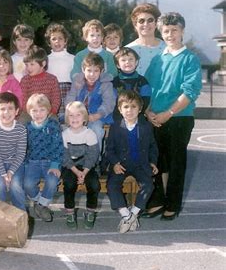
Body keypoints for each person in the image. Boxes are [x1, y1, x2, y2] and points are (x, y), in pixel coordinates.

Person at [143, 12, 202, 220]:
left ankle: (173, 204)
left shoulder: (190, 59)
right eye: (166, 31)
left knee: (176, 162)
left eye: (174, 30)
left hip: (179, 118)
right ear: (161, 32)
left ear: (182, 31)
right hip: (155, 117)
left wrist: (168, 114)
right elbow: (148, 89)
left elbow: (189, 92)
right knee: (156, 161)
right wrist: (148, 111)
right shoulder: (158, 59)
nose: (170, 34)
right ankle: (158, 200)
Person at [105, 91, 158, 233]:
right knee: (112, 185)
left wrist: (153, 162)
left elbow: (153, 146)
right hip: (121, 165)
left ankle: (133, 214)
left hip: (140, 164)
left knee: (148, 185)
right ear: (120, 109)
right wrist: (115, 163)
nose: (130, 110)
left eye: (134, 107)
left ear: (140, 109)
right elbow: (109, 150)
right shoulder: (115, 127)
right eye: (126, 107)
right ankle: (125, 214)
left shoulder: (146, 127)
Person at [24, 93, 64, 222]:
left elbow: (58, 146)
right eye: (34, 111)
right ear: (29, 112)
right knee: (28, 184)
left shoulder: (53, 126)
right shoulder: (27, 127)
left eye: (42, 110)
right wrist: (25, 164)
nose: (38, 114)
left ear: (48, 110)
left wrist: (55, 164)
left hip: (50, 162)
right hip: (32, 162)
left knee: (53, 181)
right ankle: (38, 202)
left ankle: (41, 206)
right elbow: (24, 147)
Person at [61, 101, 101, 230]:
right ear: (67, 118)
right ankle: (70, 212)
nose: (74, 119)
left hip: (87, 167)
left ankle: (90, 211)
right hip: (71, 167)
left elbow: (93, 155)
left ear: (84, 118)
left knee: (94, 184)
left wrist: (84, 171)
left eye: (78, 115)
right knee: (69, 183)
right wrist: (76, 172)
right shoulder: (65, 134)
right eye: (71, 116)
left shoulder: (90, 134)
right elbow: (65, 157)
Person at [66, 52, 115, 151]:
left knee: (96, 130)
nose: (92, 74)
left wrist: (97, 115)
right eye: (89, 70)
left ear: (102, 71)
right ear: (83, 70)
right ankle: (76, 159)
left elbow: (109, 103)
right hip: (78, 114)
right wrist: (71, 111)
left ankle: (95, 160)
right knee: (71, 129)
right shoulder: (77, 82)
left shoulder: (106, 84)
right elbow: (70, 97)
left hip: (97, 116)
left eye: (96, 71)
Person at [0, 92, 27, 211]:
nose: (6, 112)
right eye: (2, 109)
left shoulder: (21, 129)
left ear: (17, 111)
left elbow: (20, 154)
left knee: (16, 186)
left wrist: (11, 171)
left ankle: (20, 213)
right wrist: (4, 174)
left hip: (16, 163)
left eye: (10, 108)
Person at [19, 46, 61, 123]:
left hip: (48, 112)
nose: (28, 68)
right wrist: (32, 112)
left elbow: (56, 98)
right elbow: (23, 99)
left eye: (32, 64)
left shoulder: (52, 79)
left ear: (43, 64)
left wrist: (51, 111)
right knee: (21, 122)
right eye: (27, 65)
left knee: (54, 122)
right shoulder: (25, 80)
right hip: (29, 113)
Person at [45, 23, 75, 122]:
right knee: (53, 121)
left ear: (65, 41)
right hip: (52, 93)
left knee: (68, 120)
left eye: (60, 38)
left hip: (68, 92)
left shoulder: (72, 58)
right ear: (49, 42)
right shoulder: (46, 59)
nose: (57, 41)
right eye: (54, 39)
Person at [112, 47, 151, 121]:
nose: (127, 62)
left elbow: (146, 99)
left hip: (139, 117)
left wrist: (137, 113)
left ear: (136, 62)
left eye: (131, 59)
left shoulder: (142, 81)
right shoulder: (114, 82)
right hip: (119, 117)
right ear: (118, 65)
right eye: (123, 60)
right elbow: (112, 101)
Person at [125, 3, 165, 76]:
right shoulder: (127, 50)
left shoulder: (167, 49)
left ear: (156, 23)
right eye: (141, 21)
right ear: (135, 25)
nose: (146, 24)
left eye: (150, 20)